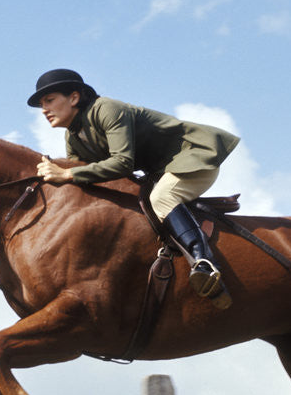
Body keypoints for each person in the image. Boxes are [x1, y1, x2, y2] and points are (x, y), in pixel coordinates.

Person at [27, 68, 239, 307]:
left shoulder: (107, 109)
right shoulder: (73, 137)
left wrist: (66, 173)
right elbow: (83, 180)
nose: (44, 110)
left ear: (74, 97)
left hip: (193, 156)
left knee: (162, 198)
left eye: (49, 100)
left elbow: (122, 163)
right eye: (42, 104)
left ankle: (205, 263)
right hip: (160, 171)